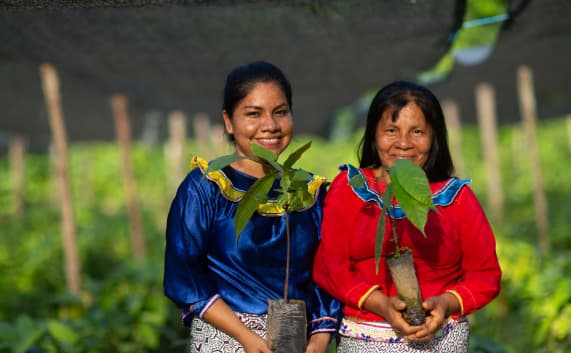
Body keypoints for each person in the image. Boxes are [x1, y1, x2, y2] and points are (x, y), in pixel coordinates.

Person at [164, 61, 340, 353]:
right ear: (229, 122)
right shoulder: (207, 187)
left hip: (297, 342)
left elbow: (328, 271)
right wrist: (246, 337)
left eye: (280, 112)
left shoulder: (309, 192)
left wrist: (319, 339)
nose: (270, 125)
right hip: (228, 338)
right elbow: (184, 274)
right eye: (253, 114)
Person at [312, 80, 501, 352]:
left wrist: (446, 303)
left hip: (442, 337)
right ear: (373, 135)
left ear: (434, 136)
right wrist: (382, 304)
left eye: (417, 131)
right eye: (391, 130)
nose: (404, 143)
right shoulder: (351, 188)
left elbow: (485, 274)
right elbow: (330, 266)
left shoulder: (456, 199)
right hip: (366, 337)